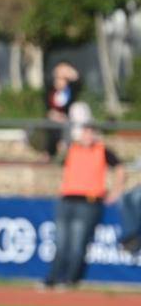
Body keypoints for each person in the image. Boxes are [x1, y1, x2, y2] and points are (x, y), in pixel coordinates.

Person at [45, 122, 123, 289]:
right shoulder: (71, 149)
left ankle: (69, 280)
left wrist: (115, 192)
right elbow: (54, 161)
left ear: (95, 134)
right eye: (84, 132)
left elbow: (120, 169)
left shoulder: (102, 150)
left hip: (88, 202)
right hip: (66, 199)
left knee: (77, 244)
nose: (87, 136)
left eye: (90, 132)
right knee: (60, 242)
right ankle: (52, 278)